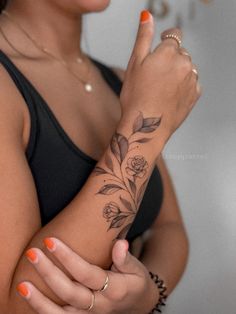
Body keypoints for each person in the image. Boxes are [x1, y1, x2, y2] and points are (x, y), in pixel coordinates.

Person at [0, 0, 201, 313]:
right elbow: (16, 304)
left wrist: (147, 292)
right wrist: (146, 126)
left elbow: (169, 229)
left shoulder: (121, 82)